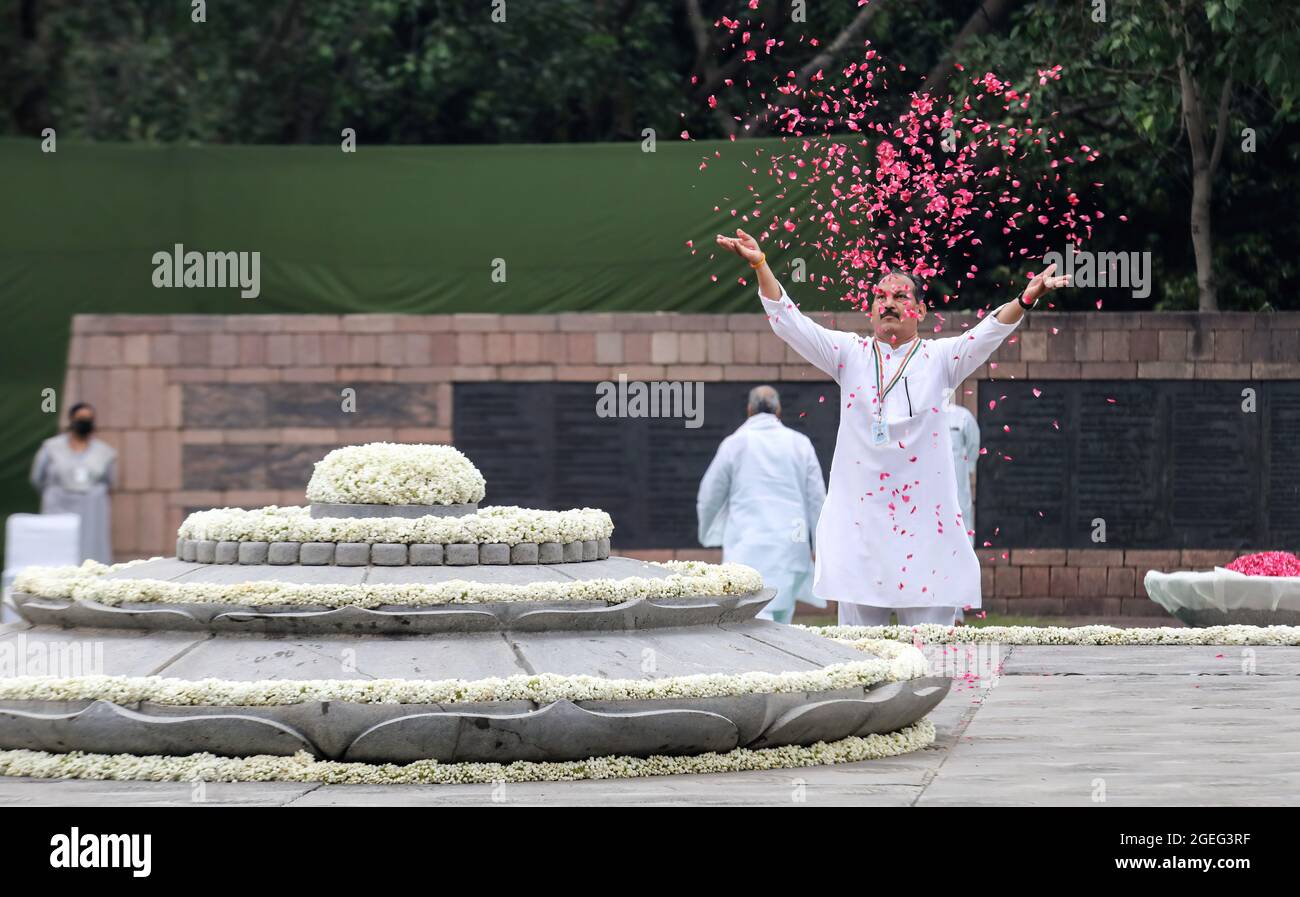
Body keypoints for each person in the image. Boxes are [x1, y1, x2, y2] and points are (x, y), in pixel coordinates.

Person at [715, 228, 1069, 627]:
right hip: (862, 529)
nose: (889, 304)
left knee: (932, 653)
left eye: (901, 297)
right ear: (870, 310)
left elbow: (986, 332)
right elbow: (790, 321)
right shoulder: (851, 354)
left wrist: (1026, 298)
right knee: (861, 656)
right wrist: (761, 265)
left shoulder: (939, 358)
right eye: (881, 297)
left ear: (918, 310)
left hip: (925, 531)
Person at [697, 385, 826, 624]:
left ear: (749, 410)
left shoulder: (734, 444)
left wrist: (707, 533)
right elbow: (817, 499)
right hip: (790, 546)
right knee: (780, 620)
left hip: (747, 545)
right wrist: (821, 547)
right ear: (778, 411)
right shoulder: (800, 444)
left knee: (745, 623)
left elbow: (709, 495)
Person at [30, 403, 117, 564]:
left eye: (89, 419)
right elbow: (37, 478)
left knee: (90, 551)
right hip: (58, 506)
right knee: (56, 549)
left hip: (91, 510)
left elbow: (110, 481)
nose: (85, 422)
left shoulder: (104, 452)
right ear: (71, 420)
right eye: (81, 419)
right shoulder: (51, 448)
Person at [945, 400, 980, 546]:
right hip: (929, 481)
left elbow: (973, 442)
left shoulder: (961, 416)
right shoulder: (924, 418)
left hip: (958, 480)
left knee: (961, 517)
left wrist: (970, 466)